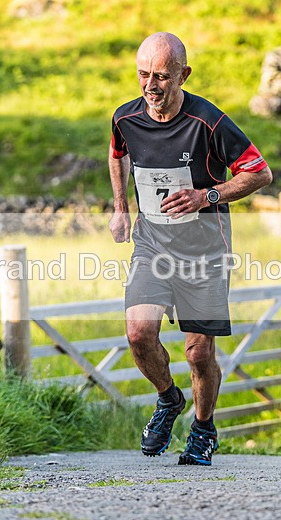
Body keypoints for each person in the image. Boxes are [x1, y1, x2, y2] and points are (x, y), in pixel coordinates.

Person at [108, 32, 272, 465]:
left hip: (204, 252)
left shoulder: (210, 122)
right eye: (143, 74)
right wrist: (121, 208)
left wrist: (207, 196)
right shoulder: (125, 119)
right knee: (139, 333)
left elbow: (259, 172)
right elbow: (117, 153)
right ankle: (168, 399)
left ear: (184, 74)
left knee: (198, 350)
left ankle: (203, 429)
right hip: (152, 245)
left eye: (162, 76)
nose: (151, 85)